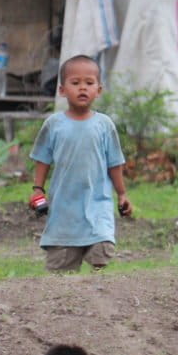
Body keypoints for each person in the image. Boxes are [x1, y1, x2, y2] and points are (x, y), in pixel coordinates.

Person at [29, 54, 132, 272]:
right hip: (63, 208)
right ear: (62, 90)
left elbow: (115, 163)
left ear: (99, 90)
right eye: (75, 83)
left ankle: (99, 284)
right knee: (60, 269)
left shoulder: (104, 125)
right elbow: (42, 158)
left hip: (98, 204)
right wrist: (38, 189)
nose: (82, 88)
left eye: (89, 83)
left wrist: (122, 194)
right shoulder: (54, 124)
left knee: (102, 252)